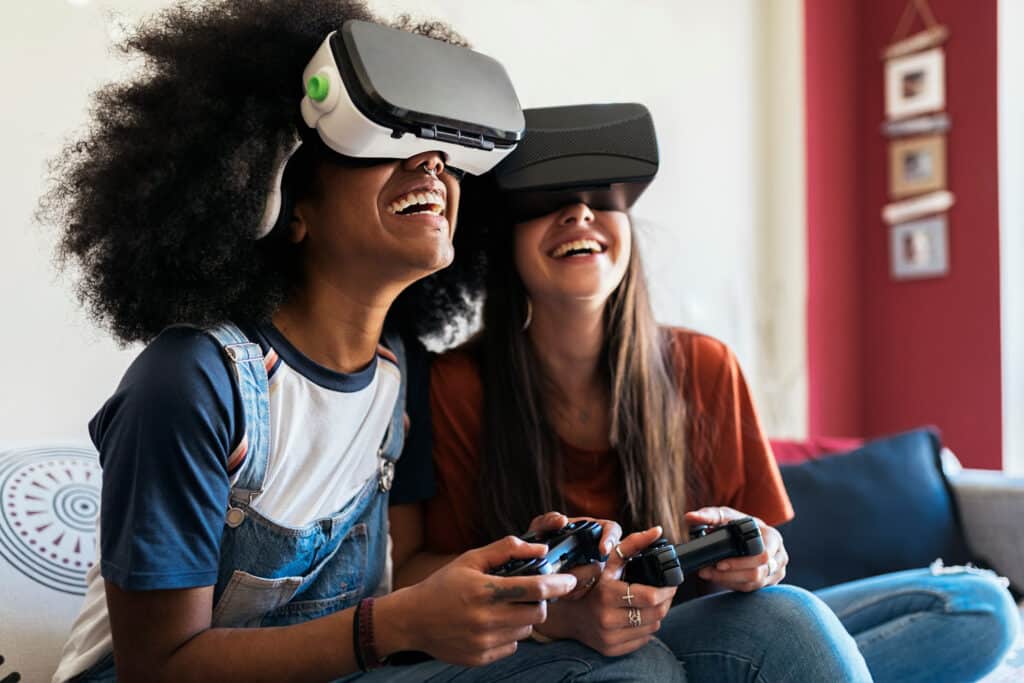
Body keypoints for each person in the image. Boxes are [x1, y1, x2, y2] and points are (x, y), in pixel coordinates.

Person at [42, 5, 683, 682]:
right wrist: (395, 624)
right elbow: (156, 666)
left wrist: (547, 604)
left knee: (667, 648)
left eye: (444, 149)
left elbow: (397, 584)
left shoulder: (398, 375)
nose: (431, 162)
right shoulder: (192, 381)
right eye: (385, 137)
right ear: (287, 203)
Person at [407, 103, 1020, 682]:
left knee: (979, 606)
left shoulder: (704, 365)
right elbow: (419, 574)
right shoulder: (457, 387)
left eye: (605, 198)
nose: (580, 214)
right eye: (547, 203)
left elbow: (769, 561)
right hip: (559, 653)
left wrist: (761, 557)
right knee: (782, 626)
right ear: (502, 244)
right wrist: (557, 613)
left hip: (705, 629)